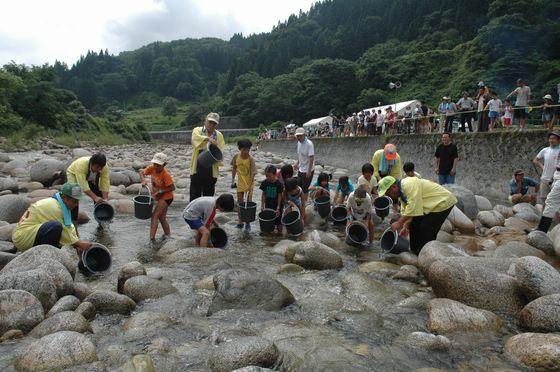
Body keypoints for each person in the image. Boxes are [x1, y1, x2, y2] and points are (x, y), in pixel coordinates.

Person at [378, 176, 457, 255]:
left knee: (426, 227)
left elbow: (413, 207)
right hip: (428, 205)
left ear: (394, 187)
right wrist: (406, 226)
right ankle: (414, 251)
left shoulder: (408, 184)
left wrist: (399, 223)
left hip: (442, 201)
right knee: (414, 225)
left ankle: (426, 255)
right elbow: (407, 210)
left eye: (388, 193)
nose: (389, 196)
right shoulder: (401, 194)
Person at [12, 183, 92, 253]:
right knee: (55, 227)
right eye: (74, 201)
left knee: (58, 230)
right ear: (64, 197)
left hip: (30, 232)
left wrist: (77, 243)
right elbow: (64, 231)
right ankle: (45, 255)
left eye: (77, 202)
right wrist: (79, 244)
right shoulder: (54, 207)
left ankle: (51, 252)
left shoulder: (61, 203)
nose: (76, 205)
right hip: (22, 238)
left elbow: (69, 226)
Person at [139, 153, 176, 241]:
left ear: (164, 165)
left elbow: (172, 187)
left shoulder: (165, 175)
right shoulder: (152, 168)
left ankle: (152, 239)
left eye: (158, 165)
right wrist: (143, 180)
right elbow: (141, 172)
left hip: (167, 197)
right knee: (161, 217)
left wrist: (160, 191)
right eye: (155, 164)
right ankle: (168, 235)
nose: (156, 166)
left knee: (155, 215)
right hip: (159, 197)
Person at [189, 113, 225, 201]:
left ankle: (206, 214)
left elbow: (220, 151)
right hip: (197, 168)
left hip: (211, 169)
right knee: (194, 195)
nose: (212, 125)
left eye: (214, 123)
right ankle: (193, 214)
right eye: (210, 122)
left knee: (208, 197)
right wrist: (208, 139)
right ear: (205, 121)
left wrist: (216, 146)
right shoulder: (197, 130)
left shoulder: (218, 135)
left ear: (217, 124)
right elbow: (195, 140)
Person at [231, 139, 257, 230]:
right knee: (240, 202)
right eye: (244, 149)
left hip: (249, 183)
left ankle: (248, 223)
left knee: (248, 203)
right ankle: (240, 222)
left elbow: (253, 173)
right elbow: (234, 168)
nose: (246, 152)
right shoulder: (236, 157)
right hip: (240, 183)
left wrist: (250, 186)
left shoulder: (251, 159)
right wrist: (232, 180)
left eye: (248, 150)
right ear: (239, 148)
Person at [533, 131, 560, 205]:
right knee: (543, 200)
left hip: (556, 179)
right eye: (550, 138)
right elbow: (535, 160)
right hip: (544, 178)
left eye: (554, 138)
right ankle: (543, 216)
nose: (551, 140)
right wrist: (542, 167)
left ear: (558, 140)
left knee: (555, 201)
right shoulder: (545, 150)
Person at [260, 165, 284, 234]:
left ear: (275, 174)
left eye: (269, 176)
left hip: (277, 205)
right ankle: (270, 234)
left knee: (278, 221)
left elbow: (280, 196)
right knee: (269, 219)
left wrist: (278, 207)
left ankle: (279, 234)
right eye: (266, 176)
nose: (267, 178)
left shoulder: (279, 184)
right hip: (268, 204)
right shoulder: (265, 183)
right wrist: (262, 205)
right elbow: (263, 194)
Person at [294, 127, 315, 207]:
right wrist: (297, 163)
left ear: (304, 135)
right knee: (299, 186)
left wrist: (309, 171)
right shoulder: (298, 143)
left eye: (300, 136)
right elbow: (300, 155)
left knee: (305, 188)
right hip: (301, 168)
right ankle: (299, 201)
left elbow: (311, 157)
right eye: (297, 136)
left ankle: (304, 204)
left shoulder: (309, 144)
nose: (298, 137)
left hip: (308, 169)